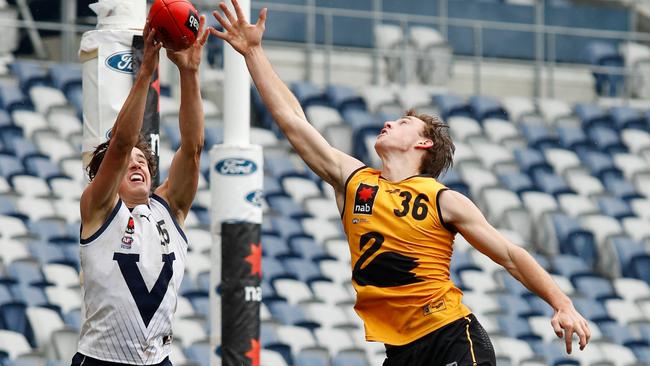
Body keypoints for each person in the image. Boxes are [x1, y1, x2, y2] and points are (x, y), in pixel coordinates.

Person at [210, 1, 591, 365]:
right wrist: (253, 54)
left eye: (404, 122)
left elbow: (510, 255)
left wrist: (562, 303)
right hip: (400, 352)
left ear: (423, 143)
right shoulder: (354, 180)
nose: (389, 122)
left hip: (450, 336)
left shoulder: (444, 200)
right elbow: (294, 120)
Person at [73, 17, 208, 366]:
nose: (137, 164)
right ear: (109, 175)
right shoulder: (98, 208)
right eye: (128, 163)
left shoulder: (169, 209)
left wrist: (189, 73)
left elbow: (192, 148)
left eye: (143, 161)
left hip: (158, 359)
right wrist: (146, 70)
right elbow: (119, 144)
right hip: (101, 359)